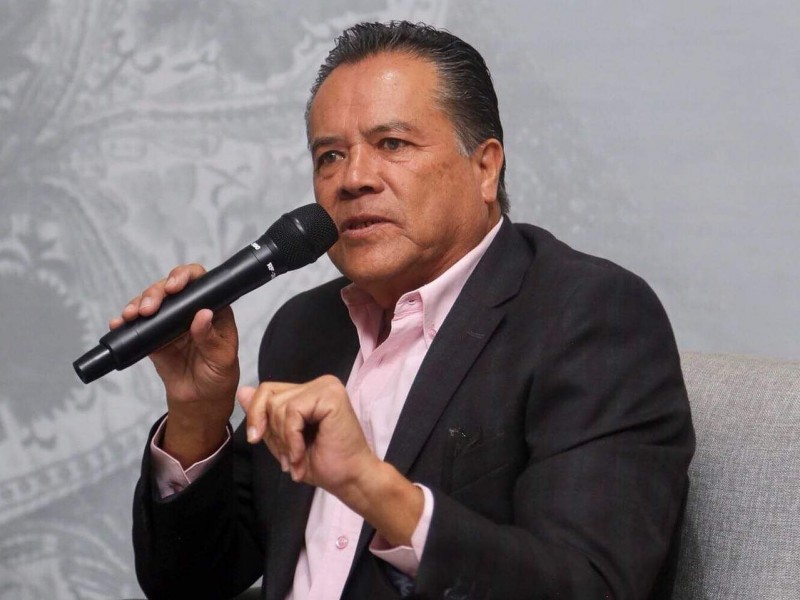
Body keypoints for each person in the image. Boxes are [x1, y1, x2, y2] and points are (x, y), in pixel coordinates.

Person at [122, 21, 694, 600]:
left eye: (392, 144)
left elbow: (591, 585)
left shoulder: (588, 316)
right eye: (329, 156)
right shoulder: (305, 328)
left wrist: (371, 487)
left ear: (485, 167)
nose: (353, 180)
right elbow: (189, 585)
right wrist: (196, 417)